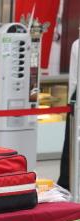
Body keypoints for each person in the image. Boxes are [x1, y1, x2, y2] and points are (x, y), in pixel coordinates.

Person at [58, 38, 78, 190]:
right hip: (76, 99)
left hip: (76, 99)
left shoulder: (77, 44)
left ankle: (67, 182)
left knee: (72, 143)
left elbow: (73, 79)